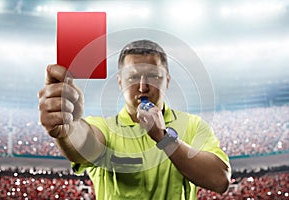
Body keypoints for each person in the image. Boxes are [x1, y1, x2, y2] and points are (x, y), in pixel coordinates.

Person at [38, 40, 231, 199]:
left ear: (168, 81)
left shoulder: (192, 125)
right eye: (132, 78)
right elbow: (84, 142)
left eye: (153, 76)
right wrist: (68, 130)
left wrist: (164, 138)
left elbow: (220, 180)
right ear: (120, 81)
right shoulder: (105, 128)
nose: (142, 87)